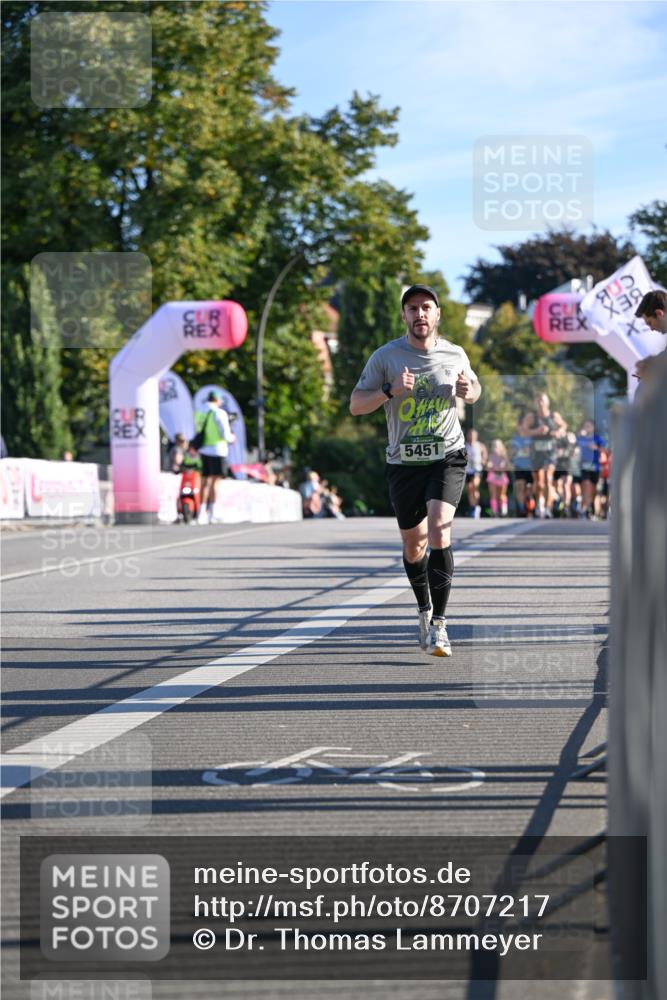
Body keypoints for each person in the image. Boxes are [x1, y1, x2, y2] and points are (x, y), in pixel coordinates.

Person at [350, 283, 482, 657]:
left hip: (447, 456)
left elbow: (474, 390)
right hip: (404, 463)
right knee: (415, 545)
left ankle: (440, 625)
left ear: (437, 314)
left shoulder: (455, 353)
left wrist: (467, 390)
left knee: (440, 528)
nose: (420, 314)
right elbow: (356, 405)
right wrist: (390, 391)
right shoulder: (386, 357)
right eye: (413, 308)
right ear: (404, 315)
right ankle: (424, 609)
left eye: (426, 308)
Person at [194, 390, 235, 524]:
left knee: (205, 481)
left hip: (204, 449)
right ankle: (212, 512)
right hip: (218, 450)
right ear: (217, 400)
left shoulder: (199, 412)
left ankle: (201, 512)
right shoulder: (219, 413)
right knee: (215, 482)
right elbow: (225, 434)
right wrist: (231, 438)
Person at [524, 392, 564, 519]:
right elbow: (523, 430)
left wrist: (558, 432)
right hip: (536, 452)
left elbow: (563, 426)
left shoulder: (554, 415)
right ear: (535, 403)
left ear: (548, 402)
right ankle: (540, 504)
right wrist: (536, 431)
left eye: (543, 400)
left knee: (548, 477)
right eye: (538, 400)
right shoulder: (532, 417)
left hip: (550, 452)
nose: (540, 403)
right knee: (539, 482)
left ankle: (548, 507)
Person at [576, 419, 605, 519]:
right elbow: (573, 444)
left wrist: (596, 448)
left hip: (595, 467)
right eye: (585, 426)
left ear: (593, 427)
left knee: (594, 490)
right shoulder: (581, 438)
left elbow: (604, 450)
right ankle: (585, 508)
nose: (587, 428)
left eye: (589, 426)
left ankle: (592, 508)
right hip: (584, 466)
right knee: (586, 486)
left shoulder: (598, 438)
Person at [510, 414, 533, 517]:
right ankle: (521, 508)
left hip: (530, 466)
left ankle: (529, 503)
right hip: (519, 465)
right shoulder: (515, 438)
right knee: (520, 487)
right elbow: (511, 452)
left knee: (529, 488)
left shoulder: (531, 437)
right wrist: (513, 452)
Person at [464, 428, 486, 518]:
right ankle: (473, 507)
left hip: (477, 469)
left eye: (473, 435)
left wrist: (482, 461)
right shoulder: (464, 445)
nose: (471, 436)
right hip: (468, 470)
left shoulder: (480, 445)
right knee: (470, 488)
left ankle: (476, 506)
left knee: (474, 486)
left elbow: (485, 456)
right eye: (470, 434)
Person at [486, 439, 510, 517]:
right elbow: (488, 465)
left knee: (502, 494)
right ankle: (494, 511)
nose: (496, 447)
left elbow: (507, 465)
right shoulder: (491, 455)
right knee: (493, 494)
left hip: (501, 476)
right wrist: (489, 465)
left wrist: (504, 464)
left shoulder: (504, 455)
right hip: (493, 476)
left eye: (497, 445)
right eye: (494, 445)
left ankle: (503, 509)